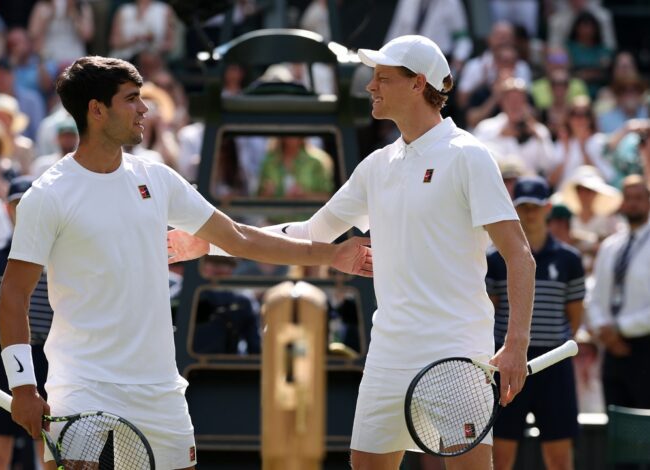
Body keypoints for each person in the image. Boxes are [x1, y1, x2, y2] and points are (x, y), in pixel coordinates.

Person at [168, 35, 536, 470]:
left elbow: (519, 255)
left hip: (456, 351)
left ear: (418, 83)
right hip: (388, 352)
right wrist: (211, 241)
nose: (370, 86)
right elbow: (309, 233)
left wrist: (516, 345)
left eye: (382, 78)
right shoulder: (377, 165)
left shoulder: (468, 156)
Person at [0, 56, 371, 470]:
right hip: (82, 385)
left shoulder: (157, 179)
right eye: (131, 99)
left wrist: (331, 254)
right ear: (96, 110)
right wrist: (23, 386)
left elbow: (239, 237)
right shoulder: (47, 196)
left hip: (159, 388)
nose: (145, 108)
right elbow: (13, 297)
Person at [486, 176, 584, 470]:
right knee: (501, 455)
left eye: (535, 207)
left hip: (554, 364)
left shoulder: (569, 259)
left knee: (559, 457)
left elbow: (575, 315)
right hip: (506, 363)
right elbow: (490, 311)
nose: (530, 214)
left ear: (547, 208)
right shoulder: (494, 259)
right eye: (524, 207)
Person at [0, 176, 53, 470]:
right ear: (8, 209)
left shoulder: (60, 254)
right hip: (0, 360)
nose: (24, 210)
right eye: (19, 204)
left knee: (50, 453)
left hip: (49, 357)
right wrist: (0, 346)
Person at [585, 175, 650, 411]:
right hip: (611, 349)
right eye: (628, 198)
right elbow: (595, 294)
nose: (633, 203)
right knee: (616, 424)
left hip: (645, 346)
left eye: (639, 198)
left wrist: (619, 328)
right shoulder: (611, 246)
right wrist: (603, 329)